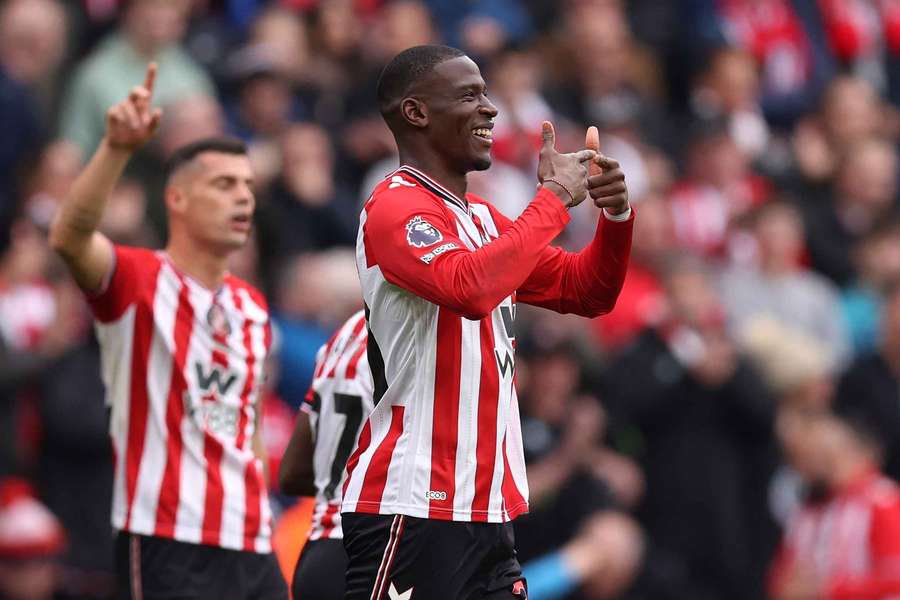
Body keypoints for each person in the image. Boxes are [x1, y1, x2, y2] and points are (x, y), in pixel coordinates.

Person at [345, 45, 634, 599]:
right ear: (416, 112)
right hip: (412, 504)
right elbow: (471, 288)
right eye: (469, 95)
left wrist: (616, 216)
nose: (490, 108)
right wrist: (553, 198)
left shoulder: (481, 220)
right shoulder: (395, 207)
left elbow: (588, 291)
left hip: (487, 509)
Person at [48, 63, 287, 599]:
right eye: (224, 185)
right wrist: (115, 149)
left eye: (247, 186)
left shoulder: (251, 305)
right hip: (169, 536)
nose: (243, 198)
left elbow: (245, 421)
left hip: (252, 540)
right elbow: (68, 237)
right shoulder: (138, 278)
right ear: (176, 199)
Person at [280, 309, 374, 600]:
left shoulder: (346, 332)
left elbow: (292, 473)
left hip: (320, 552)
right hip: (378, 551)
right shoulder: (429, 332)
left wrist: (342, 483)